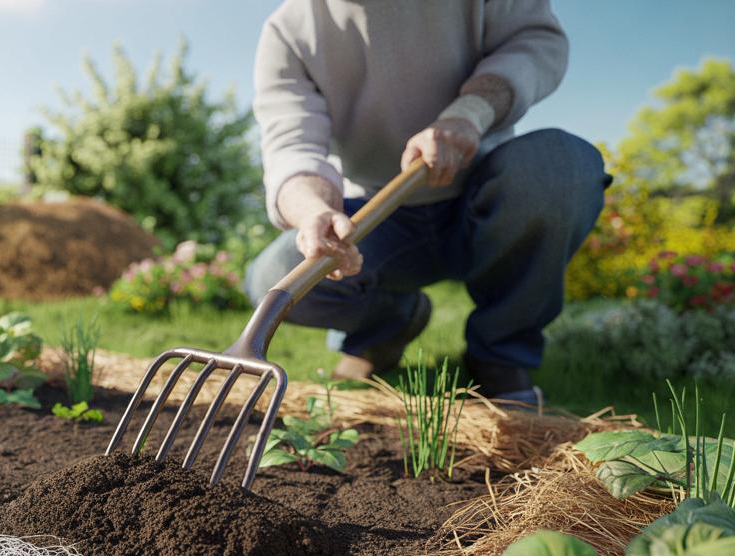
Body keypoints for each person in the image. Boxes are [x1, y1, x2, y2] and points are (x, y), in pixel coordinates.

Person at [246, 0, 611, 406]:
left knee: (561, 166)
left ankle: (500, 355)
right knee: (271, 278)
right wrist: (313, 209)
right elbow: (292, 143)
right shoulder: (289, 30)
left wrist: (470, 113)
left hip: (489, 192)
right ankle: (389, 325)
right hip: (378, 213)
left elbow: (534, 41)